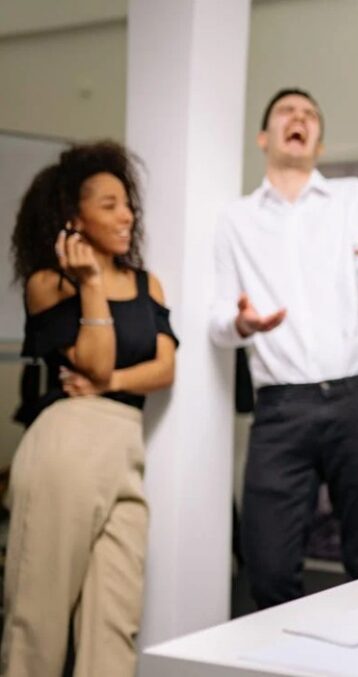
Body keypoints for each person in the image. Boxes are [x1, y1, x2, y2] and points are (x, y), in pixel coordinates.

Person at [210, 88, 358, 609]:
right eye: (287, 112)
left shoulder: (353, 197)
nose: (298, 119)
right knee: (268, 568)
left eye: (309, 115)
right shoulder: (235, 219)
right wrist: (241, 321)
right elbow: (216, 320)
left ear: (317, 142)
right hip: (282, 409)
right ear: (265, 137)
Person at [2, 141, 178, 676]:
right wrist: (93, 283)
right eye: (109, 205)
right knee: (39, 620)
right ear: (73, 219)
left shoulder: (147, 283)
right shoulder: (48, 284)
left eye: (128, 204)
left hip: (125, 447)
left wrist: (110, 383)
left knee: (114, 624)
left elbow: (164, 369)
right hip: (66, 445)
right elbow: (95, 361)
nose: (126, 215)